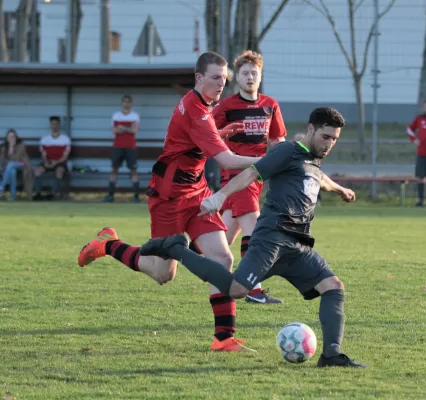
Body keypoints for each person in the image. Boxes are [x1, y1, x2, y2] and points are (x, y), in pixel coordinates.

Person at [139, 107, 366, 368]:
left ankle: (331, 355)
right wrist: (220, 196)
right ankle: (177, 248)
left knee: (333, 288)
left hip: (298, 245)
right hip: (272, 239)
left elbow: (320, 178)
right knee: (236, 290)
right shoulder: (286, 152)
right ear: (311, 129)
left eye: (334, 139)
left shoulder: (313, 160)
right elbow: (251, 173)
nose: (329, 144)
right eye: (326, 137)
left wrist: (340, 189)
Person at [77, 51, 261, 353]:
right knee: (163, 274)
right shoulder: (197, 110)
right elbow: (227, 161)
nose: (221, 83)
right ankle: (108, 244)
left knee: (223, 258)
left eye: (224, 78)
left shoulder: (203, 104)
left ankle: (223, 338)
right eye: (215, 77)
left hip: (197, 192)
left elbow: (194, 142)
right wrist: (270, 160)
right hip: (168, 197)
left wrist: (219, 133)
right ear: (198, 78)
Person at [209, 50, 286, 305]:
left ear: (260, 76)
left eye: (254, 72)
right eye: (245, 73)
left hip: (258, 177)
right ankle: (254, 290)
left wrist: (284, 164)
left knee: (221, 239)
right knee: (256, 234)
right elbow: (210, 136)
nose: (250, 77)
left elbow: (277, 141)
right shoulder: (226, 106)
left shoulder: (270, 105)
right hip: (236, 175)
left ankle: (184, 254)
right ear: (237, 78)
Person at [102, 95, 141, 203]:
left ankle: (136, 196)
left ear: (131, 103)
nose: (126, 104)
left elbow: (135, 130)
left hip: (131, 147)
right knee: (114, 170)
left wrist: (122, 128)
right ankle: (110, 195)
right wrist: (128, 128)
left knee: (133, 170)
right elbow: (114, 130)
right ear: (122, 103)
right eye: (125, 101)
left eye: (128, 102)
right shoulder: (116, 115)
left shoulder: (135, 116)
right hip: (117, 147)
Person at [33, 116, 71, 200]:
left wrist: (56, 162)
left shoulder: (65, 139)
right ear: (50, 125)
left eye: (56, 124)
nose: (54, 126)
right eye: (53, 124)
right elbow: (43, 154)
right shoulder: (44, 139)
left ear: (59, 125)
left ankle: (53, 194)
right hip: (48, 161)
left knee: (59, 171)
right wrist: (46, 162)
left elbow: (65, 156)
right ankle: (38, 193)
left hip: (60, 162)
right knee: (37, 170)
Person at [0, 129, 31, 201]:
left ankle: (1, 188)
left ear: (16, 137)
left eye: (13, 136)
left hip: (22, 164)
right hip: (9, 167)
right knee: (12, 171)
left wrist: (12, 146)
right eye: (10, 136)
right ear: (7, 138)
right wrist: (7, 163)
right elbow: (2, 159)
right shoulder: (4, 146)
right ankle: (12, 195)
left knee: (10, 165)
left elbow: (17, 158)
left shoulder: (21, 145)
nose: (11, 138)